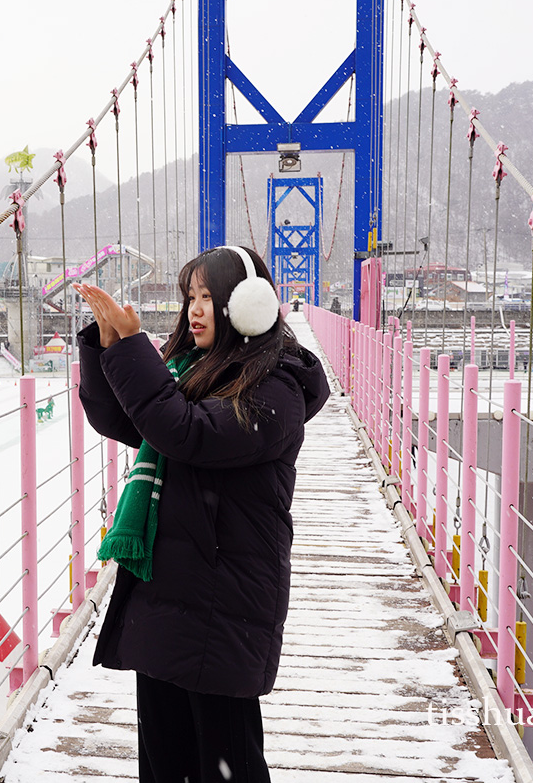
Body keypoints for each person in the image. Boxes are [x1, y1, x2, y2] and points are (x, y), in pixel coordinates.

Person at [72, 245, 329, 783]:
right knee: (165, 765)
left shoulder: (276, 389)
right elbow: (125, 417)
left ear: (249, 304)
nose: (195, 309)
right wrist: (107, 345)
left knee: (226, 766)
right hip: (168, 598)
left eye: (209, 297)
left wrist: (134, 348)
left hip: (224, 606)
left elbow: (185, 431)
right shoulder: (194, 371)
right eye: (191, 296)